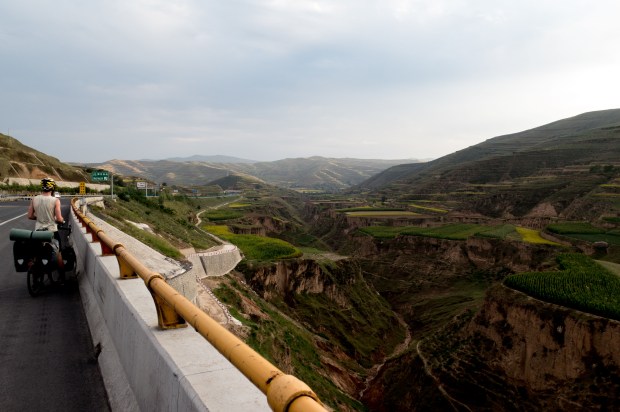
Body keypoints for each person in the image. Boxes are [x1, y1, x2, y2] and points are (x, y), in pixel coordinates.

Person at [28, 178, 65, 245]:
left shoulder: (34, 199)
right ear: (52, 188)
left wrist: (39, 218)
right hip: (51, 230)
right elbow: (59, 219)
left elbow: (30, 216)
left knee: (36, 251)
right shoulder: (56, 200)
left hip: (38, 231)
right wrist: (62, 220)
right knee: (58, 250)